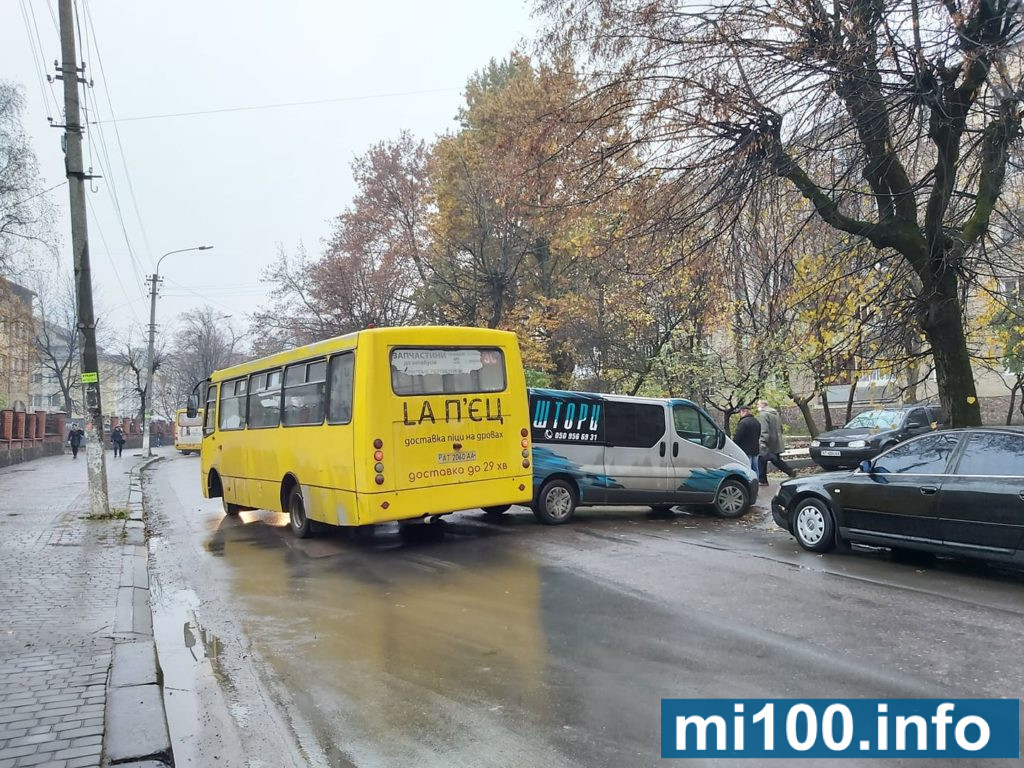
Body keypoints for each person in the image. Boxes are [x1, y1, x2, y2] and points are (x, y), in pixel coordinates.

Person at [756, 399, 795, 485]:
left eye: (758, 404)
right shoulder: (775, 414)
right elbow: (780, 428)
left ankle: (762, 480)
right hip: (776, 441)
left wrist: (762, 441)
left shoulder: (763, 415)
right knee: (775, 459)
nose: (757, 406)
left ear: (762, 405)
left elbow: (764, 430)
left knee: (762, 458)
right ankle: (790, 472)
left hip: (768, 442)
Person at [732, 405, 761, 473]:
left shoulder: (743, 422)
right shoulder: (756, 421)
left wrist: (734, 444)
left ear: (743, 412)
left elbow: (738, 436)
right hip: (755, 448)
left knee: (748, 467)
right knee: (755, 467)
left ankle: (749, 482)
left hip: (745, 449)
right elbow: (758, 434)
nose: (740, 414)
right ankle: (756, 481)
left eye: (740, 412)